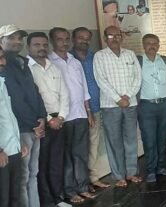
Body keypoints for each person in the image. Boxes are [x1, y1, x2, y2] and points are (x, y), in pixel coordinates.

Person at [47, 28, 96, 203]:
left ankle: (82, 187)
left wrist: (89, 112)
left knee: (81, 154)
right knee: (66, 156)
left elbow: (84, 90)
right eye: (60, 39)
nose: (64, 42)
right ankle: (69, 191)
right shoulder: (49, 63)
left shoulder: (75, 62)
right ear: (53, 41)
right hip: (63, 118)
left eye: (67, 39)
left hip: (80, 114)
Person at [0, 25, 45, 207]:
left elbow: (34, 92)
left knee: (33, 173)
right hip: (23, 130)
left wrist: (42, 117)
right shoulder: (5, 68)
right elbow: (17, 102)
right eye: (11, 38)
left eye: (19, 38)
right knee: (21, 179)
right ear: (1, 41)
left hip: (33, 128)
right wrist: (33, 123)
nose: (17, 42)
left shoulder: (22, 62)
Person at [93, 26, 142, 188]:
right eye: (110, 36)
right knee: (114, 141)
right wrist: (117, 99)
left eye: (117, 35)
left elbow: (137, 78)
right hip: (110, 105)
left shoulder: (130, 54)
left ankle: (131, 172)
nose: (114, 38)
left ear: (122, 37)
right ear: (105, 38)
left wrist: (127, 96)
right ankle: (119, 175)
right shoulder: (99, 56)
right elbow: (101, 80)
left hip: (130, 103)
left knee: (131, 139)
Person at [26, 32, 70, 207]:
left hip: (59, 122)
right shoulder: (26, 69)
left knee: (56, 162)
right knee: (41, 165)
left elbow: (64, 94)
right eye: (37, 45)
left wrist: (61, 117)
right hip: (41, 123)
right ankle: (46, 201)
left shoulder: (54, 67)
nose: (41, 48)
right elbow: (33, 99)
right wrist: (48, 119)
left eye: (44, 44)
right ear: (28, 46)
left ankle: (58, 198)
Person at [69, 27, 110, 189]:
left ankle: (92, 178)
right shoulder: (68, 58)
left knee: (93, 145)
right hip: (75, 112)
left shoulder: (95, 57)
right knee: (77, 148)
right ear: (73, 38)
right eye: (80, 37)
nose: (84, 41)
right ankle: (79, 182)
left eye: (87, 38)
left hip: (96, 107)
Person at [136, 34, 166, 183]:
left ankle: (161, 167)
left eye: (154, 43)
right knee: (149, 140)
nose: (151, 46)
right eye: (148, 43)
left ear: (158, 45)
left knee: (162, 138)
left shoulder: (165, 60)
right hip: (146, 106)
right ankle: (151, 170)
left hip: (164, 104)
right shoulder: (138, 61)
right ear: (143, 45)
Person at [0, 46, 28, 207]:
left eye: (2, 57)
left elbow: (8, 117)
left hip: (13, 149)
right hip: (2, 153)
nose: (2, 62)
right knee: (3, 199)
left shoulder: (2, 83)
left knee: (14, 196)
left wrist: (19, 142)